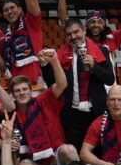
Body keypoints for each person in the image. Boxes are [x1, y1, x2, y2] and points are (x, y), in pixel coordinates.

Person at [8, 48, 78, 165]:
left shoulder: (43, 100)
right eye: (17, 91)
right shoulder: (11, 114)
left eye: (24, 89)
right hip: (33, 160)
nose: (22, 93)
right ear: (13, 95)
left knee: (69, 150)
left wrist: (54, 61)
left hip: (55, 156)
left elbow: (62, 84)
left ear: (30, 90)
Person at [42, 19, 115, 153]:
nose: (73, 36)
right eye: (69, 34)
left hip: (96, 112)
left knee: (97, 151)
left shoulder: (102, 50)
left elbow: (110, 79)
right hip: (71, 114)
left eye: (76, 32)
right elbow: (52, 83)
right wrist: (45, 65)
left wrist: (94, 67)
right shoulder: (60, 55)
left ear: (84, 31)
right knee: (74, 153)